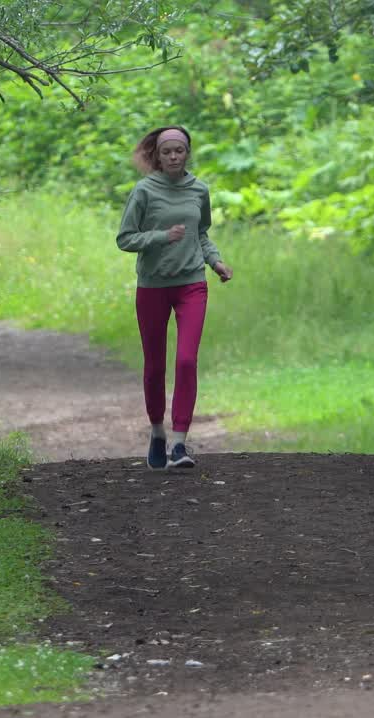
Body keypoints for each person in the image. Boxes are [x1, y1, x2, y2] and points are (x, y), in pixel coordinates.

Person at [116, 126, 232, 470]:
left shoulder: (199, 190)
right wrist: (161, 236)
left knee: (186, 361)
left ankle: (180, 443)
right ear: (158, 155)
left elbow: (202, 234)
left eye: (178, 151)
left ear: (187, 153)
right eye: (166, 152)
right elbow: (125, 238)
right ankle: (157, 432)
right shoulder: (144, 191)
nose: (173, 157)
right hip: (152, 286)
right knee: (154, 366)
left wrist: (215, 261)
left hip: (191, 284)